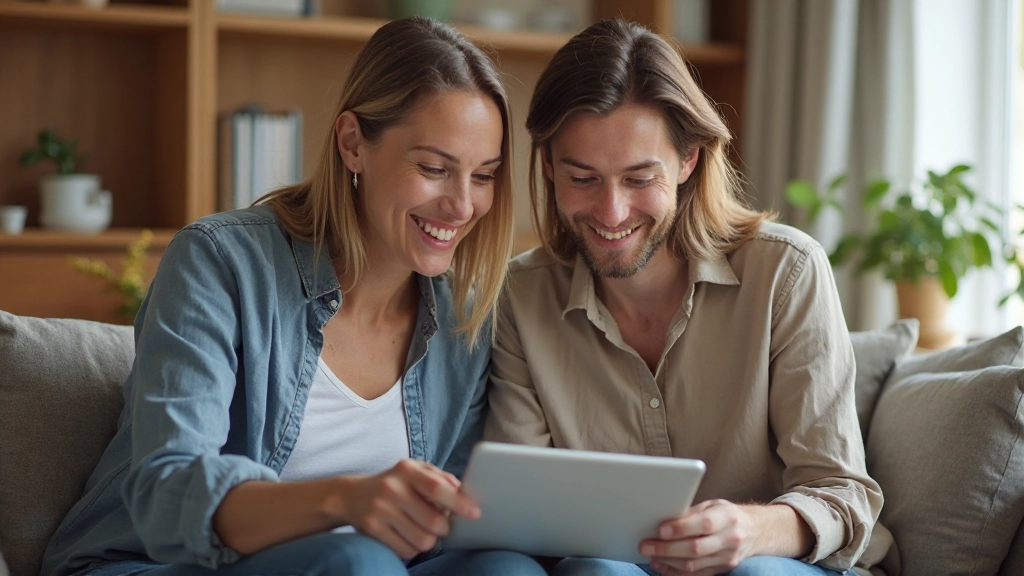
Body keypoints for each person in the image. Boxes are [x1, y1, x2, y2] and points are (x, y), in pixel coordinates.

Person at [41, 17, 547, 576]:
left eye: (484, 176)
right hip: (151, 563)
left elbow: (447, 531)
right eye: (434, 168)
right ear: (353, 143)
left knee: (506, 569)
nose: (462, 205)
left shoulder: (463, 317)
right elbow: (167, 495)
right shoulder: (221, 262)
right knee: (357, 560)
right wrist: (345, 501)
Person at [485, 19, 883, 576]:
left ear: (688, 161)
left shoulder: (786, 272)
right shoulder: (520, 300)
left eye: (639, 178)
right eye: (583, 178)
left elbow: (841, 494)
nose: (611, 212)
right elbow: (522, 508)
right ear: (548, 167)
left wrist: (747, 532)